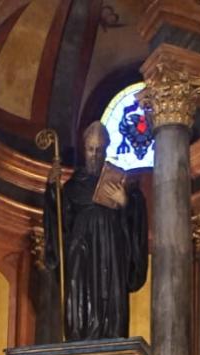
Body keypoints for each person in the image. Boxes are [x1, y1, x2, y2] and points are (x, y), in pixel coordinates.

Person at [44, 120, 148, 341]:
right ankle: (78, 336)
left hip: (111, 250)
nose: (94, 154)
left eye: (99, 150)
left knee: (109, 293)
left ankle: (111, 335)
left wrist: (125, 203)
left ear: (106, 149)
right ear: (84, 150)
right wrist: (52, 191)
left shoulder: (119, 182)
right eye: (91, 149)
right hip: (80, 251)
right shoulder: (72, 187)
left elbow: (135, 221)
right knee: (79, 293)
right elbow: (60, 222)